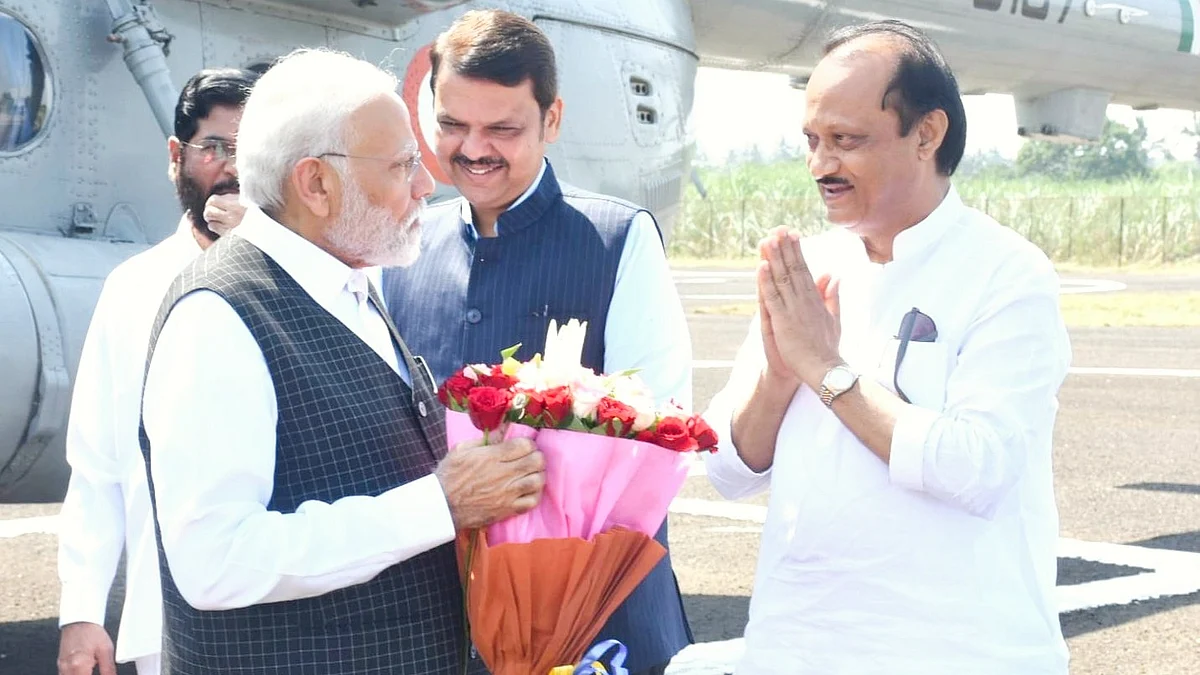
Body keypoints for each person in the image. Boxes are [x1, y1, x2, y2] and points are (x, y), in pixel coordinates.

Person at [137, 48, 545, 675]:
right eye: (403, 164)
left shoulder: (349, 282)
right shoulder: (217, 316)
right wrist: (439, 504)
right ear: (316, 184)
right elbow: (214, 561)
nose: (425, 185)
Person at [703, 20, 1072, 674]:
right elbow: (728, 470)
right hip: (796, 647)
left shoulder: (1007, 273)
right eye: (812, 141)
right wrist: (780, 379)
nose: (821, 165)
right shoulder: (807, 269)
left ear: (926, 134)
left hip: (957, 653)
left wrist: (826, 369)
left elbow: (976, 468)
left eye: (846, 141)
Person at [381, 9, 693, 674]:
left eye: (503, 128)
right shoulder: (402, 249)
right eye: (452, 125)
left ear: (552, 120)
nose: (473, 148)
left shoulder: (619, 240)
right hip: (437, 627)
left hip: (601, 630)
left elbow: (655, 439)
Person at [55, 67, 259, 675]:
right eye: (213, 148)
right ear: (177, 156)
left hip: (291, 611)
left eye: (248, 151)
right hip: (165, 621)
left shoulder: (316, 276)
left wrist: (269, 252)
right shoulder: (134, 288)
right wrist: (82, 609)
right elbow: (97, 464)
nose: (230, 169)